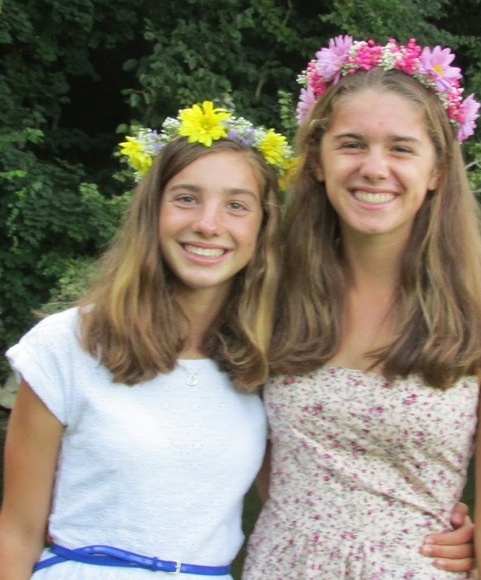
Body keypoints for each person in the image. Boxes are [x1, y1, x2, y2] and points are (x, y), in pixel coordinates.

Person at [243, 36, 481, 579]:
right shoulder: (266, 291)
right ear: (317, 161)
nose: (375, 168)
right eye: (351, 144)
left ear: (437, 171)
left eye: (401, 148)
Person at [0, 100, 293, 578]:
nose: (208, 224)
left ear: (262, 227)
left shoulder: (268, 360)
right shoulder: (68, 344)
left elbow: (307, 504)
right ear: (151, 211)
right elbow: (15, 533)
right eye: (186, 198)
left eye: (237, 205)